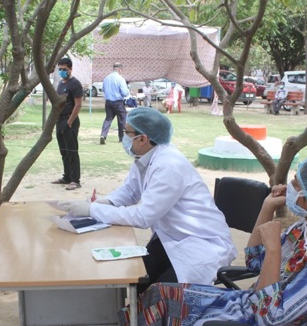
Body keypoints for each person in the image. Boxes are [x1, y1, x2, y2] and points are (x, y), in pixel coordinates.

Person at [117, 154, 307, 326]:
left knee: (163, 308)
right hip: (246, 304)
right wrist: (266, 207)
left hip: (252, 317)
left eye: (296, 185)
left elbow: (270, 318)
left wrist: (275, 249)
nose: (288, 187)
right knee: (158, 294)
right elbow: (256, 261)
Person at [59, 107, 236, 293]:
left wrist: (91, 210)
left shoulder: (168, 166)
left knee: (161, 295)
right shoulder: (146, 157)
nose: (124, 137)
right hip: (172, 239)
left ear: (143, 138)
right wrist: (103, 203)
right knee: (134, 280)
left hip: (201, 244)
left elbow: (143, 217)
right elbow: (129, 191)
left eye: (127, 132)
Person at [50, 58, 83, 191]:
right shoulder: (61, 84)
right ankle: (67, 176)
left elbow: (78, 104)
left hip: (70, 121)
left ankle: (75, 180)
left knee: (72, 151)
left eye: (65, 69)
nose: (62, 71)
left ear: (70, 69)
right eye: (60, 69)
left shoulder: (75, 84)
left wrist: (70, 122)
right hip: (60, 121)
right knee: (64, 151)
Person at [99, 62, 130, 144]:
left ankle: (103, 135)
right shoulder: (120, 79)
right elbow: (124, 92)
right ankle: (121, 138)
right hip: (118, 102)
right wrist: (128, 92)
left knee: (108, 118)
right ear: (120, 69)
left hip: (108, 102)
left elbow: (104, 90)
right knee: (122, 118)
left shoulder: (106, 78)